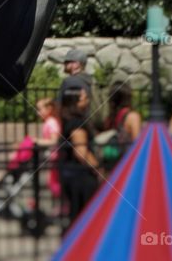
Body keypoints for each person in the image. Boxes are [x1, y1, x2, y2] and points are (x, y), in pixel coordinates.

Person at [57, 87, 101, 224]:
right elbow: (81, 153)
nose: (88, 101)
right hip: (81, 178)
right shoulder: (76, 123)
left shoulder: (66, 120)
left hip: (70, 175)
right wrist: (98, 169)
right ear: (74, 102)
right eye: (84, 98)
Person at [98, 81, 142, 171]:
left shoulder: (110, 119)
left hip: (112, 166)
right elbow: (138, 145)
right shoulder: (132, 117)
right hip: (127, 165)